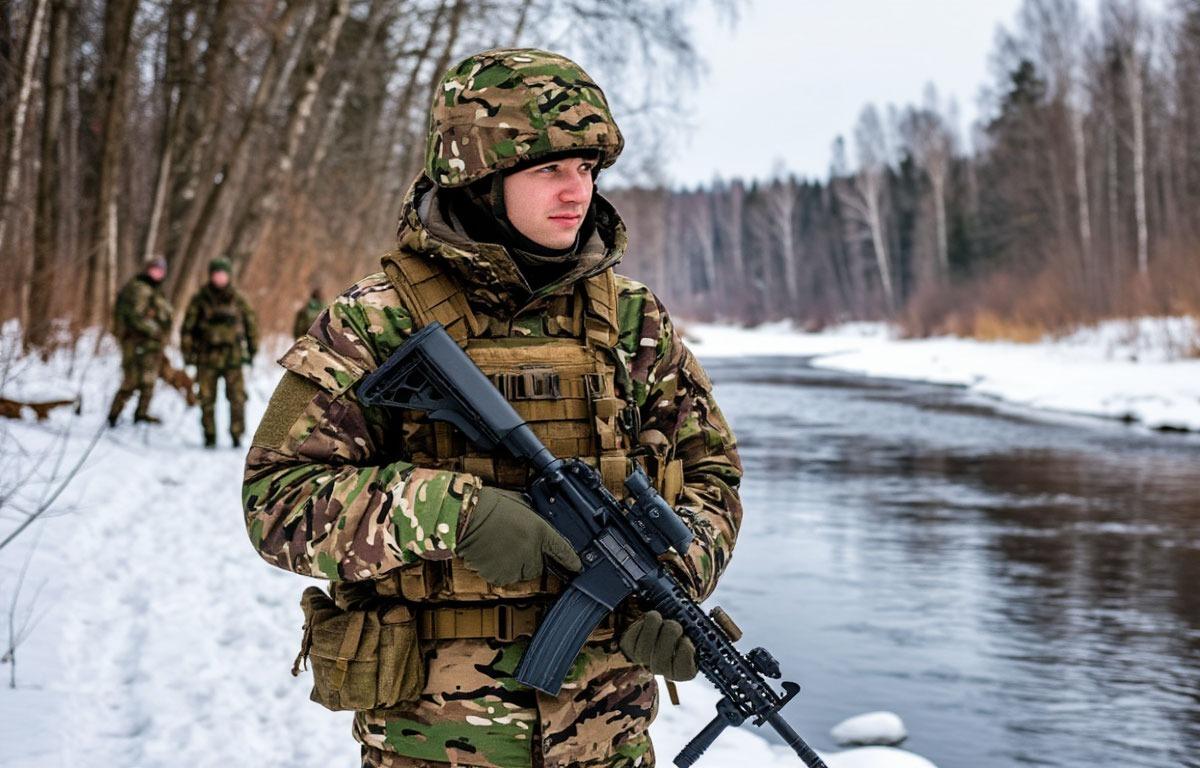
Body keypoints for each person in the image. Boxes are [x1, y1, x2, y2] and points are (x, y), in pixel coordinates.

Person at [243, 48, 742, 768]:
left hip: (606, 742)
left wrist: (675, 581)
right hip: (434, 746)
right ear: (477, 173)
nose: (578, 192)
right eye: (549, 169)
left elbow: (713, 474)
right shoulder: (378, 321)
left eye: (588, 170)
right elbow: (276, 501)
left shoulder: (632, 320)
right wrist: (451, 513)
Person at [181, 257, 258, 448]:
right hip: (206, 357)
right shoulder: (200, 299)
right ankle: (209, 435)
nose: (220, 278)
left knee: (237, 398)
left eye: (223, 275)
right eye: (216, 274)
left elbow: (252, 326)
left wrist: (252, 350)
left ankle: (237, 435)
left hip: (233, 357)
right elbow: (187, 329)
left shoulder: (238, 299)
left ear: (229, 276)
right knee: (207, 399)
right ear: (211, 276)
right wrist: (187, 353)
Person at [107, 256, 173, 426]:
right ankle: (113, 416)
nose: (157, 273)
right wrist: (154, 330)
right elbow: (135, 316)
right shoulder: (140, 288)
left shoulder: (155, 290)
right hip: (135, 342)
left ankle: (141, 414)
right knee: (132, 380)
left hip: (150, 344)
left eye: (160, 270)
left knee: (149, 380)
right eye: (154, 269)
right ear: (147, 269)